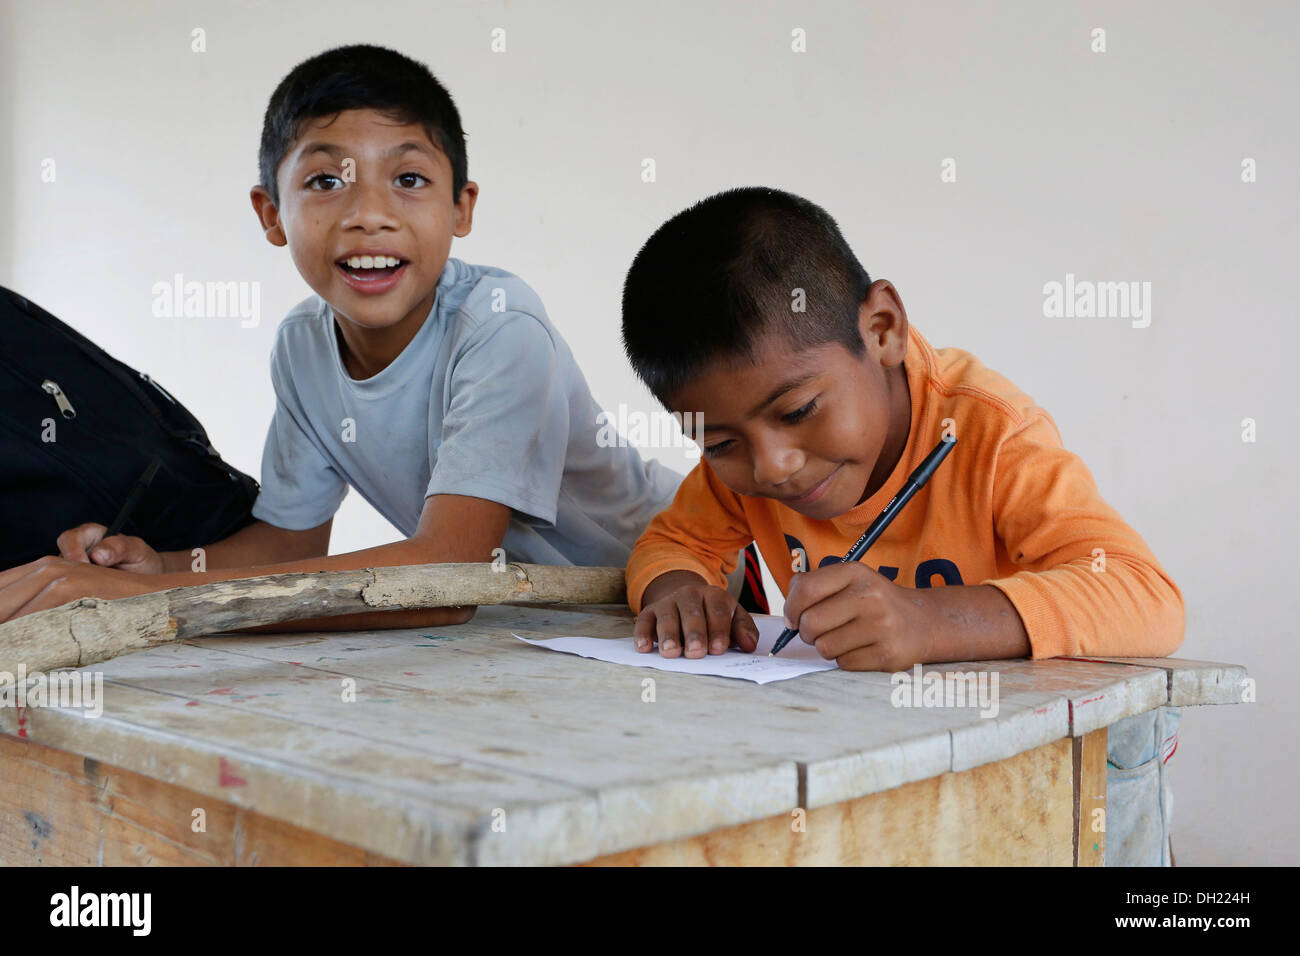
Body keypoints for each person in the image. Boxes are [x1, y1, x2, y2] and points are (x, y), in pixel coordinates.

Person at [0, 44, 679, 630]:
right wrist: (160, 566)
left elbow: (446, 578)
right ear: (271, 214)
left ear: (461, 207)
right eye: (326, 181)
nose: (369, 215)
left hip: (705, 577)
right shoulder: (302, 345)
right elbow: (290, 539)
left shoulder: (499, 325)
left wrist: (142, 599)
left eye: (408, 179)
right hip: (571, 629)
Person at [619, 186, 1183, 865]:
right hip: (895, 763)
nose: (774, 466)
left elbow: (1144, 593)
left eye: (797, 411)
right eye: (718, 443)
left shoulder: (989, 434)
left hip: (1067, 765)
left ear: (881, 328)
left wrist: (929, 622)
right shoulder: (745, 463)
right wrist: (676, 591)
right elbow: (674, 542)